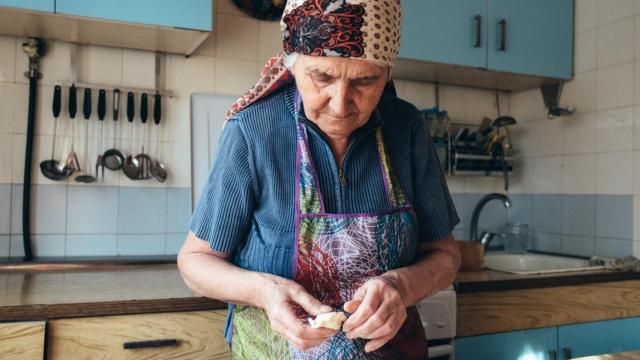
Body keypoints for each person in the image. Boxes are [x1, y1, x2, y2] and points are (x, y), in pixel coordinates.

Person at [178, 0, 461, 358]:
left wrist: (400, 286)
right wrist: (264, 291)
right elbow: (195, 261)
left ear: (387, 74)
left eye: (365, 81)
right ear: (293, 67)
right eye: (322, 77)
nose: (340, 104)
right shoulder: (253, 132)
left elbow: (445, 254)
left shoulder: (406, 129)